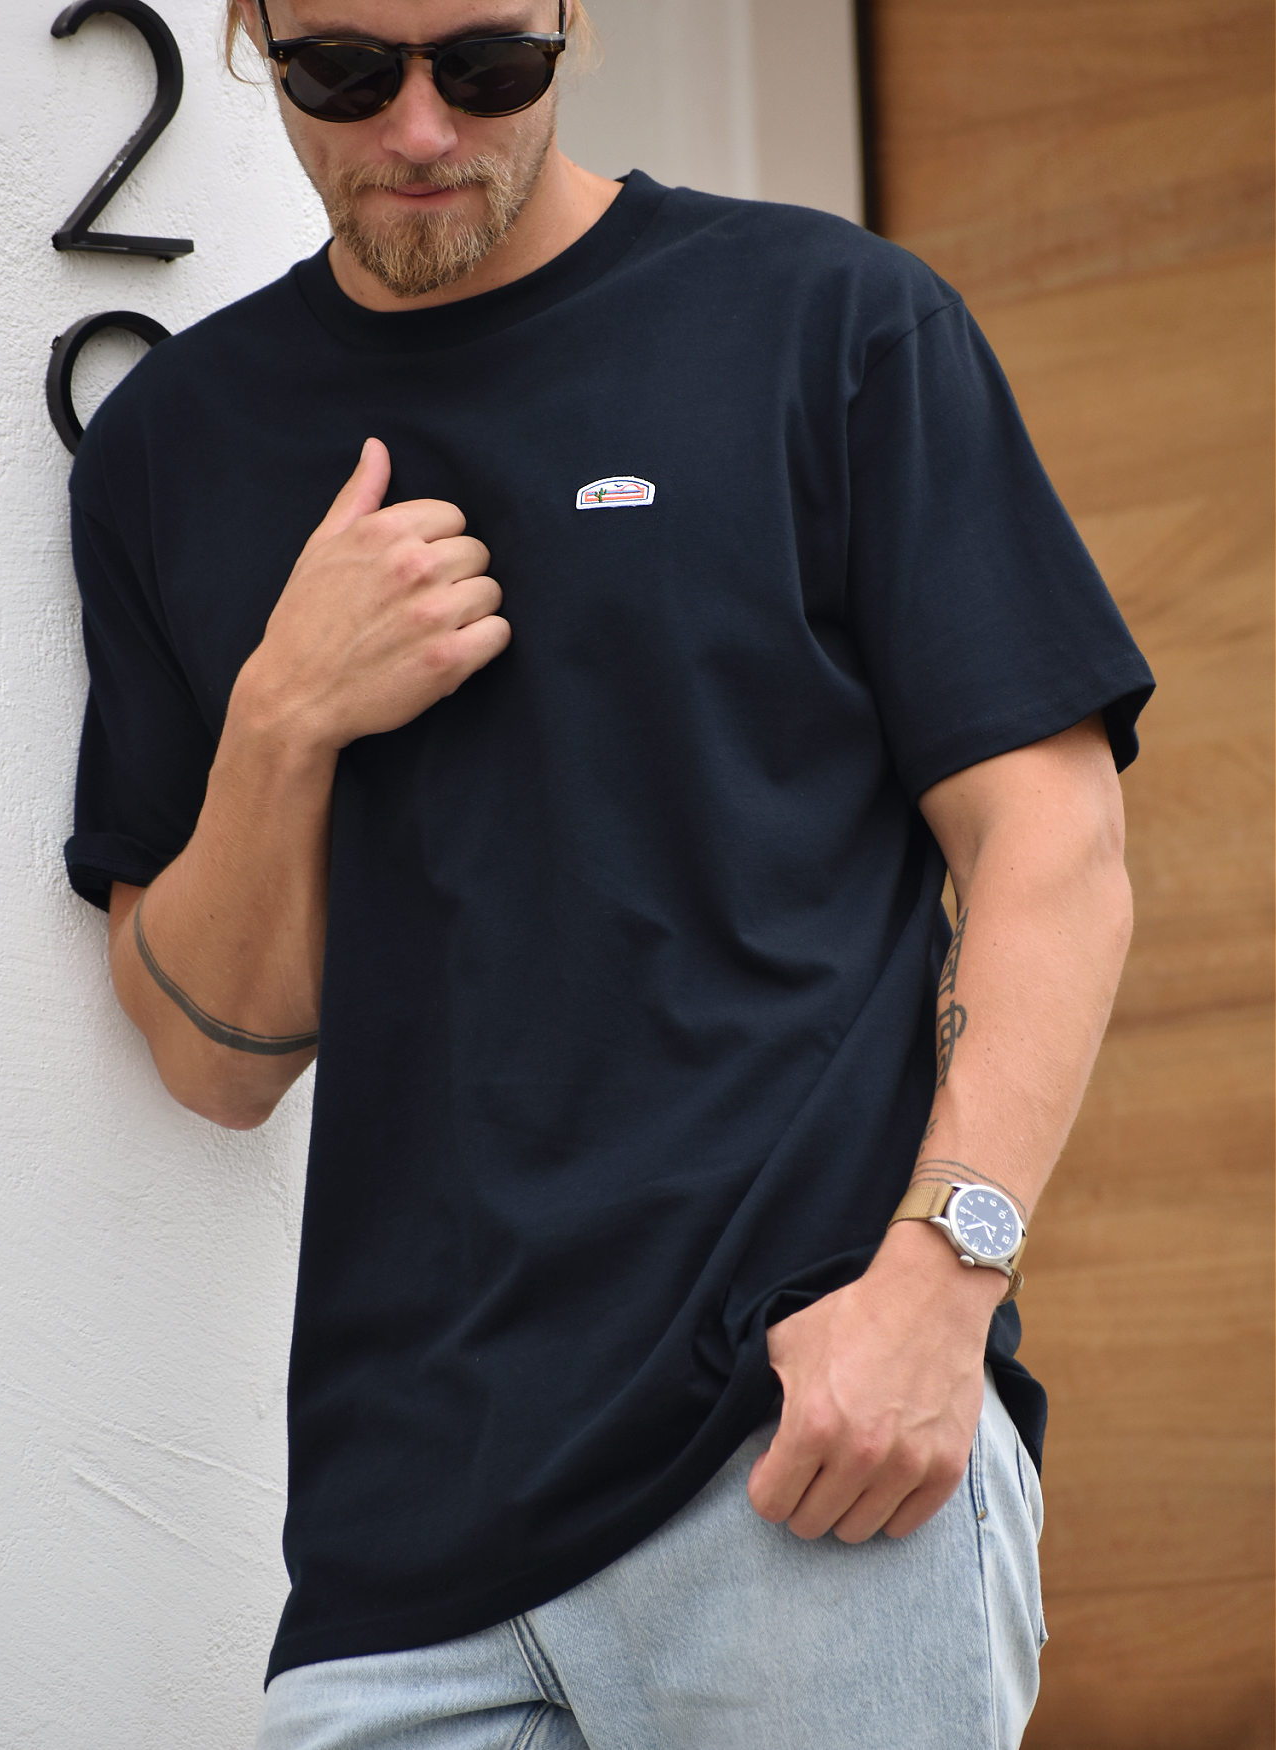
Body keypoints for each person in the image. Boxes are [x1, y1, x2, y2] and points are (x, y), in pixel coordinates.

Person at [63, 1, 1154, 1744]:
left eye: (487, 64)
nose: (422, 129)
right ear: (253, 30)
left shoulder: (827, 324)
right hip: (395, 1554)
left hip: (798, 1476)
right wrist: (283, 714)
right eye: (347, 74)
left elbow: (1054, 842)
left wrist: (936, 1290)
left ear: (572, 15)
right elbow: (213, 1055)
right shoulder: (170, 451)